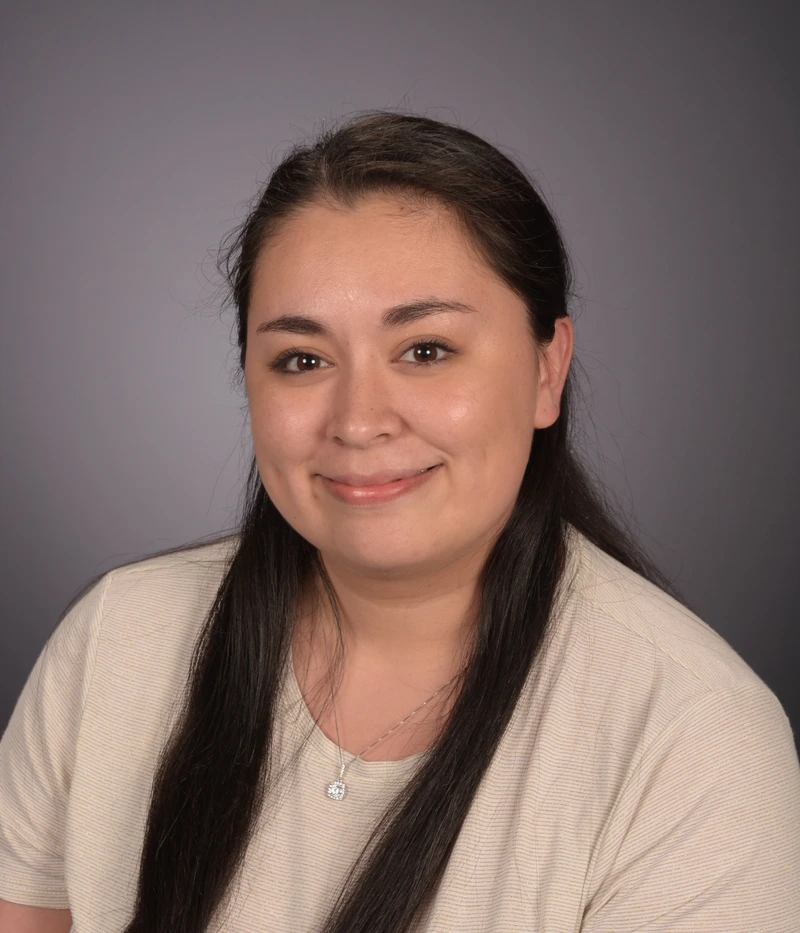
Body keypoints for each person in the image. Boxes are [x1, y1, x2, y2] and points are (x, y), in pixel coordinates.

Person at [1, 111, 798, 933]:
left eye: (425, 350)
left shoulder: (692, 735)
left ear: (545, 371)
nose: (358, 419)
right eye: (302, 360)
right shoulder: (116, 642)